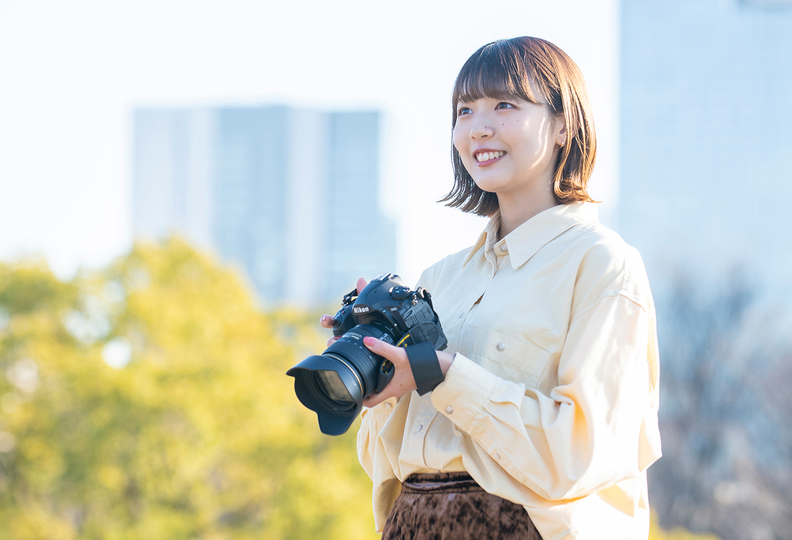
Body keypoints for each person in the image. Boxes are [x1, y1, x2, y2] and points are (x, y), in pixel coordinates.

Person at [321, 36, 661, 540]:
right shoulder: (439, 279)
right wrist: (374, 370)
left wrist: (445, 375)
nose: (478, 127)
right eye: (464, 110)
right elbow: (386, 461)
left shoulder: (603, 265)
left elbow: (581, 455)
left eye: (505, 105)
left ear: (563, 123)